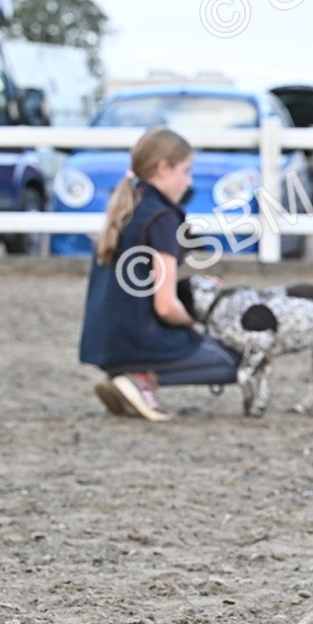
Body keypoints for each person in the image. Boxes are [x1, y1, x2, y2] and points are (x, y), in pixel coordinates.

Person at [79, 127, 238, 421]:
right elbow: (165, 306)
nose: (189, 182)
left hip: (104, 344)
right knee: (234, 361)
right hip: (139, 345)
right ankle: (140, 378)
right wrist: (197, 319)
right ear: (163, 168)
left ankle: (125, 380)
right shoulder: (163, 217)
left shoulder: (128, 205)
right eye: (185, 171)